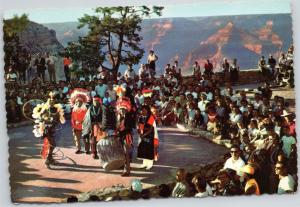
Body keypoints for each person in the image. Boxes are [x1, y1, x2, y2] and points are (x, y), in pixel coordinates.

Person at [32, 91, 65, 167]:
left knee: (51, 144)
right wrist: (47, 121)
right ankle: (48, 159)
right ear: (48, 102)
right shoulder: (45, 109)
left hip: (53, 129)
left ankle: (50, 158)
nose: (52, 103)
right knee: (53, 144)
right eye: (50, 101)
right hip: (46, 129)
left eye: (53, 101)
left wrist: (56, 122)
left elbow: (58, 119)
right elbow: (42, 118)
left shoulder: (57, 109)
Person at [137, 105, 159, 170]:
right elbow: (139, 126)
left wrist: (144, 135)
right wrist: (140, 133)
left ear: (147, 111)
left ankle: (150, 164)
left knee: (149, 149)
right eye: (142, 110)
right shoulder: (140, 117)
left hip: (149, 136)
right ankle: (144, 163)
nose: (142, 111)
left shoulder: (151, 117)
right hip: (142, 135)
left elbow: (151, 129)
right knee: (143, 149)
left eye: (144, 110)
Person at [116, 97, 133, 176]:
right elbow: (117, 127)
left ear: (126, 109)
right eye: (121, 109)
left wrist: (121, 129)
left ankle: (127, 170)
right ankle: (125, 167)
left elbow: (130, 127)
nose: (122, 111)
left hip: (127, 136)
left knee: (126, 153)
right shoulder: (119, 117)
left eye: (123, 109)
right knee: (123, 153)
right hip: (121, 136)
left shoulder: (129, 117)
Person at [70, 89, 90, 154]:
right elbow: (72, 119)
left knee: (85, 139)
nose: (78, 103)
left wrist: (82, 123)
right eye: (77, 102)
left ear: (82, 102)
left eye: (80, 102)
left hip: (84, 126)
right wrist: (74, 125)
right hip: (76, 126)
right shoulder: (74, 110)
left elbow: (87, 118)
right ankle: (78, 149)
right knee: (77, 139)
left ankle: (87, 150)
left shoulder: (85, 109)